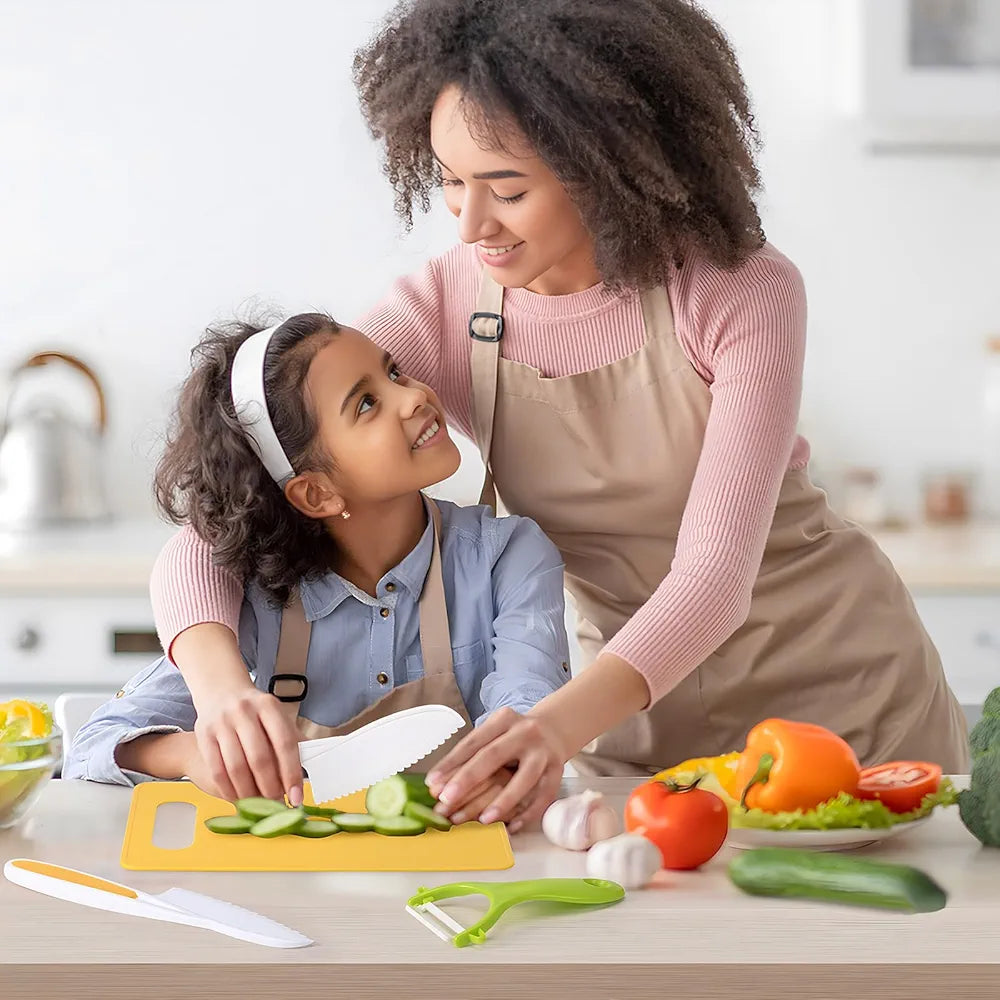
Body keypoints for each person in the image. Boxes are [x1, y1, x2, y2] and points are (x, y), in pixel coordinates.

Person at [147, 0, 969, 835]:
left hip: (844, 705)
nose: (470, 225)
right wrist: (220, 693)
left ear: (604, 164)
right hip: (632, 724)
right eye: (449, 181)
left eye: (507, 188)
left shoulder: (736, 289)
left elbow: (714, 578)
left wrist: (552, 727)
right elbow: (241, 500)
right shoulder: (447, 307)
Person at [65, 313, 569, 824]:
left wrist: (508, 768)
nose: (414, 396)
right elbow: (93, 746)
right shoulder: (256, 600)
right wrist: (194, 754)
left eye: (393, 373)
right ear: (316, 492)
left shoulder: (508, 558)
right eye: (367, 403)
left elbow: (530, 715)